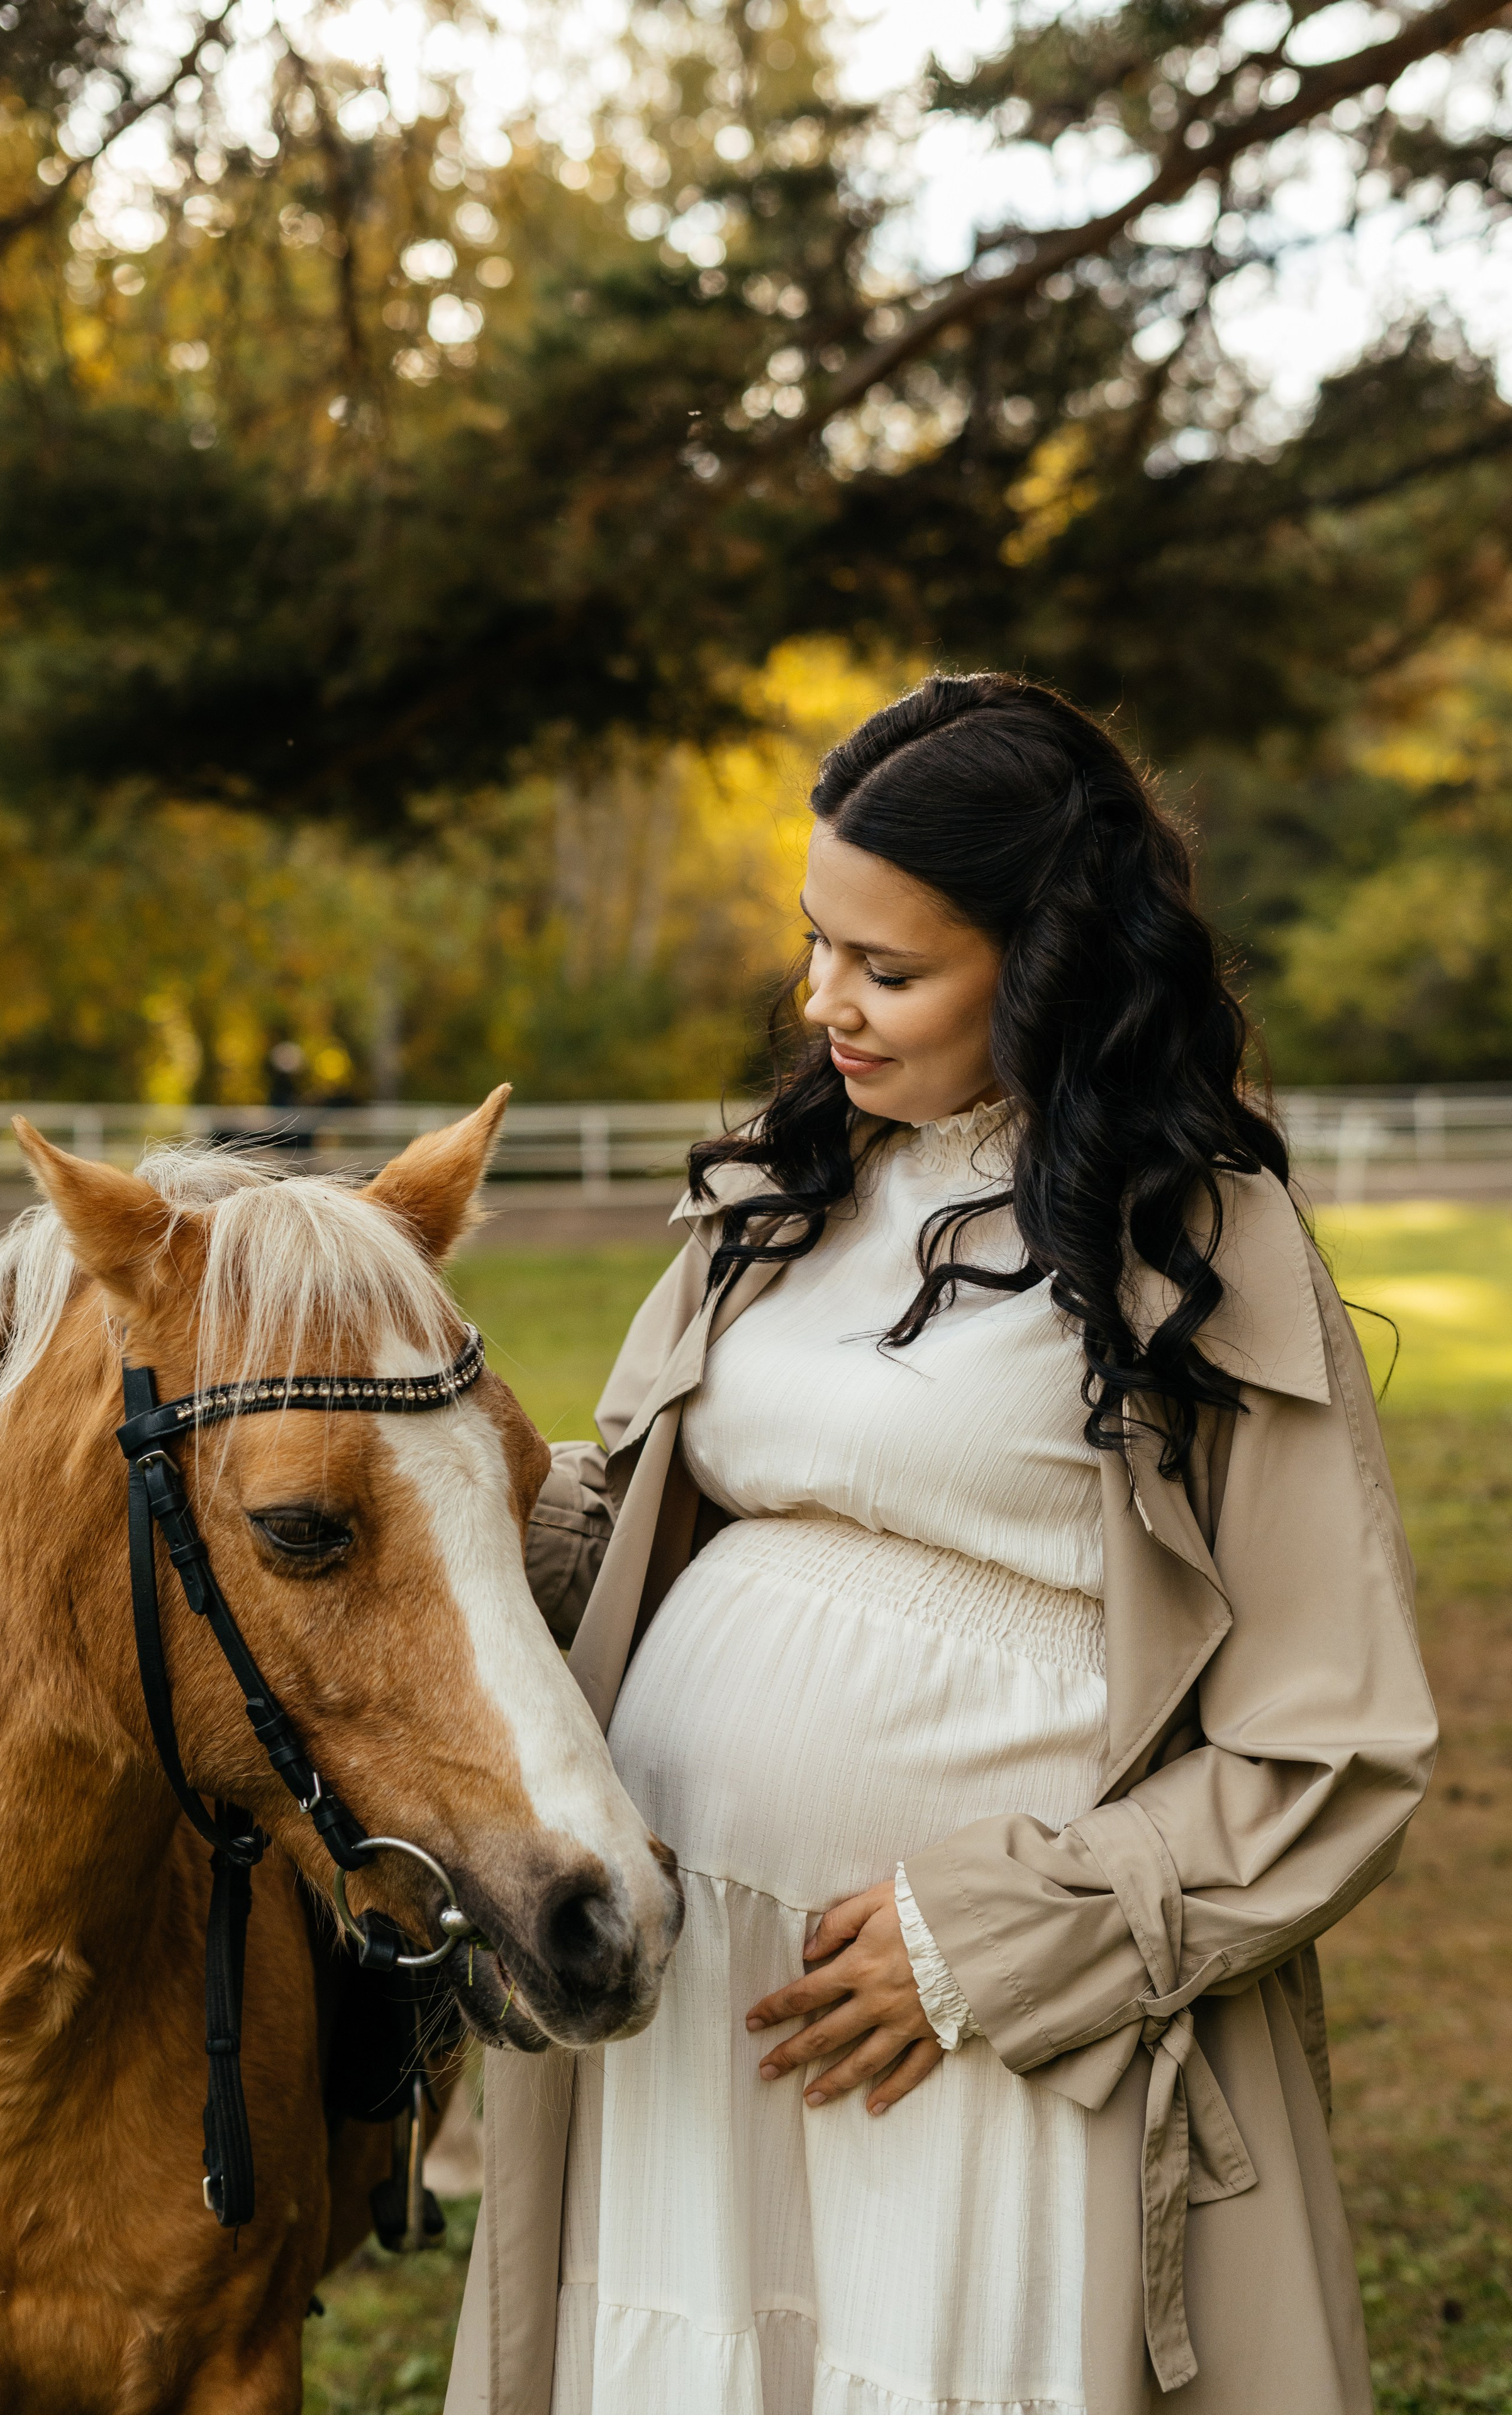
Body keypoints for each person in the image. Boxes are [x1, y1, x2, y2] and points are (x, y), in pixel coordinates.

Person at [447, 674, 1437, 2415]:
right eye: (817, 942)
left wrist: (981, 1946)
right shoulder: (775, 1190)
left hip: (982, 2025)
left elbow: (1335, 1745)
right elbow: (623, 1535)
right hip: (702, 1979)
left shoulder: (1202, 1246)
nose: (824, 1000)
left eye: (890, 969)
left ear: (1048, 968)